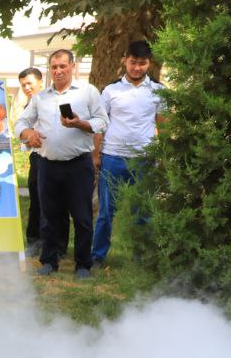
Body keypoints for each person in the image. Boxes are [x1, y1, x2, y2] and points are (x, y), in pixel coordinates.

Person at [15, 49, 107, 278]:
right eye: (54, 67)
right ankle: (49, 260)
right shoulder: (41, 97)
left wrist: (80, 123)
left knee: (82, 217)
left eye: (63, 66)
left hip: (78, 164)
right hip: (48, 164)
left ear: (73, 67)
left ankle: (83, 264)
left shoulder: (88, 92)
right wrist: (28, 134)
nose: (58, 71)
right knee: (49, 216)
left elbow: (102, 122)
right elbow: (21, 123)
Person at [91, 40, 165, 265]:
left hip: (144, 159)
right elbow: (100, 124)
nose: (137, 68)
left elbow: (163, 124)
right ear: (125, 61)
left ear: (149, 64)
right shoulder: (111, 90)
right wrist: (96, 154)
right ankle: (97, 256)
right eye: (133, 62)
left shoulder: (158, 91)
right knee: (105, 212)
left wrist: (162, 154)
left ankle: (141, 257)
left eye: (142, 63)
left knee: (142, 211)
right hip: (113, 157)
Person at [17, 67, 45, 258]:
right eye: (23, 85)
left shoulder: (50, 100)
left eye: (29, 83)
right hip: (36, 157)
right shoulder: (28, 105)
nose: (26, 87)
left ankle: (56, 245)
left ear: (40, 82)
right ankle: (34, 242)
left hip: (56, 157)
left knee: (55, 204)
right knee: (35, 201)